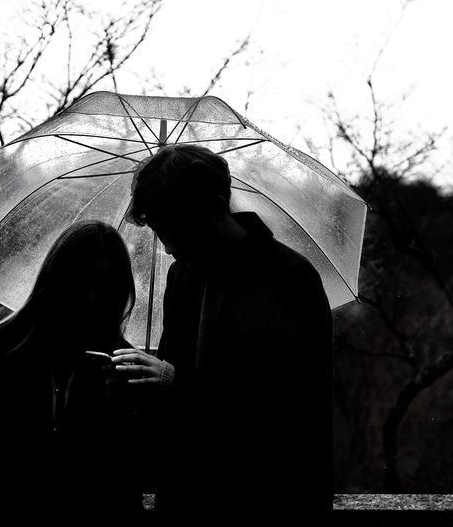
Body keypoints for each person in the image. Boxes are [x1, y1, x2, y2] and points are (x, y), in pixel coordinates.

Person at [112, 144, 333, 518]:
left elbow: (289, 410)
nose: (167, 248)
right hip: (188, 500)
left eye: (175, 228)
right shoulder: (181, 275)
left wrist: (172, 382)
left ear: (215, 207)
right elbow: (177, 387)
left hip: (268, 505)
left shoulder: (290, 280)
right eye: (159, 229)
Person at [0, 221, 145, 522]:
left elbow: (124, 484)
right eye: (81, 283)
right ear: (57, 281)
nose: (91, 298)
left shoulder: (122, 366)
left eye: (105, 287)